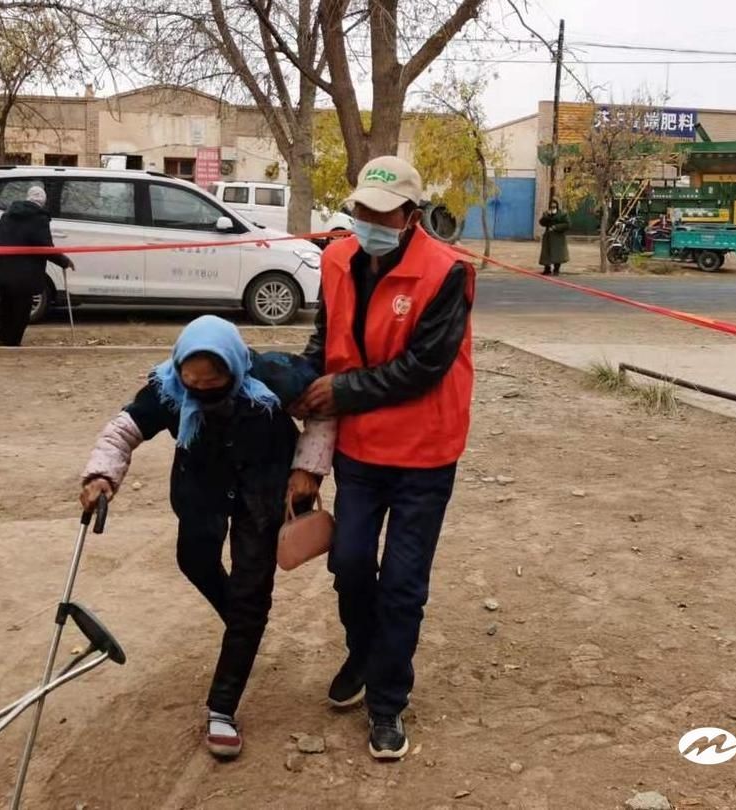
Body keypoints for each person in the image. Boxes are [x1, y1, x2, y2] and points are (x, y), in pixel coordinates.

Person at [79, 315, 333, 759]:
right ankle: (244, 624)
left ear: (236, 370)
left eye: (213, 383)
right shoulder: (168, 388)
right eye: (190, 381)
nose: (199, 391)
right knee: (195, 561)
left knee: (252, 592)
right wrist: (102, 475)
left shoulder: (276, 376)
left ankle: (222, 707)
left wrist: (307, 468)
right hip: (202, 493)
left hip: (262, 493)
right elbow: (124, 430)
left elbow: (324, 411)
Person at [294, 156, 474, 761]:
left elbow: (425, 367)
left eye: (381, 212)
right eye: (360, 210)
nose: (367, 221)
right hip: (362, 449)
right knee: (348, 562)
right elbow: (329, 338)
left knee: (401, 583)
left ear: (409, 215)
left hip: (425, 450)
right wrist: (306, 383)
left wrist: (343, 391)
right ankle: (364, 654)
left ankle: (388, 701)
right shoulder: (337, 259)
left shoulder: (447, 273)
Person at [0, 185, 74, 347]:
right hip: (23, 276)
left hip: (1, 271)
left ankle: (2, 340)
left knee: (5, 308)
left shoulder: (7, 215)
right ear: (43, 202)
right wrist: (64, 261)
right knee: (21, 311)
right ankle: (13, 343)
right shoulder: (39, 219)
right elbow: (45, 248)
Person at [538, 199, 570, 275]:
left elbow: (567, 224)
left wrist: (556, 227)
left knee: (557, 255)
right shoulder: (546, 213)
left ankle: (556, 269)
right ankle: (547, 269)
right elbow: (542, 223)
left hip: (558, 238)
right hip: (548, 236)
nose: (553, 207)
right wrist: (547, 216)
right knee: (546, 254)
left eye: (554, 205)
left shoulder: (562, 214)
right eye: (551, 205)